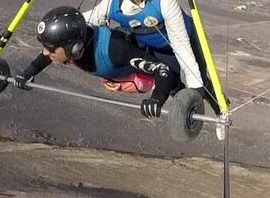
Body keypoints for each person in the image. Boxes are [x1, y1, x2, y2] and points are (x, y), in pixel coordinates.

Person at [83, 0, 222, 113]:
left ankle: (220, 110)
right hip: (151, 45)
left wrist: (195, 86)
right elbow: (93, 17)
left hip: (180, 42)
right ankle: (187, 113)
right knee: (170, 84)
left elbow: (180, 43)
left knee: (201, 83)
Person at [11, 6, 180, 118]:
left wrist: (157, 98)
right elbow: (44, 57)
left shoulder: (115, 50)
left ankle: (180, 93)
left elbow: (162, 68)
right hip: (113, 70)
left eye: (51, 48)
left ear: (75, 47)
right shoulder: (72, 45)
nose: (47, 52)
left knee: (170, 81)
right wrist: (27, 73)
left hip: (138, 67)